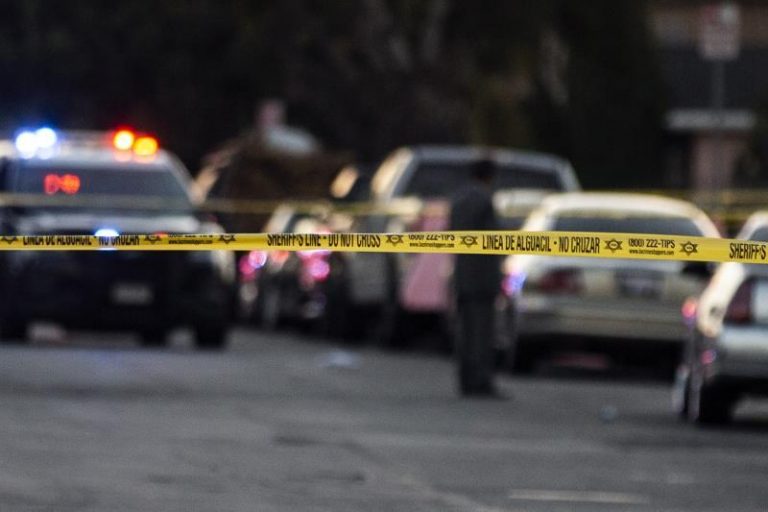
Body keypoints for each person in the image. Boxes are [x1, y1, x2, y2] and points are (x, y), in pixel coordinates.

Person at [450, 158, 504, 398]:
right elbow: (493, 238)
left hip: (463, 276)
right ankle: (481, 382)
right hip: (482, 278)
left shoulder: (458, 200)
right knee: (482, 334)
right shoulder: (484, 200)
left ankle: (466, 380)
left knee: (466, 332)